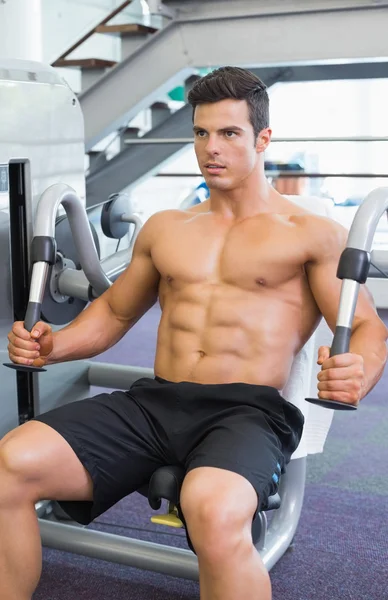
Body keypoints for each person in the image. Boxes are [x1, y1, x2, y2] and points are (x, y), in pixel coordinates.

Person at [2, 66, 387, 600]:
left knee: (213, 509)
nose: (212, 148)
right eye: (201, 133)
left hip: (247, 410)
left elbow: (368, 326)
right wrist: (53, 345)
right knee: (11, 463)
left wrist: (360, 372)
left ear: (263, 139)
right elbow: (114, 313)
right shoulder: (167, 228)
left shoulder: (312, 234)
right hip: (155, 403)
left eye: (229, 133)